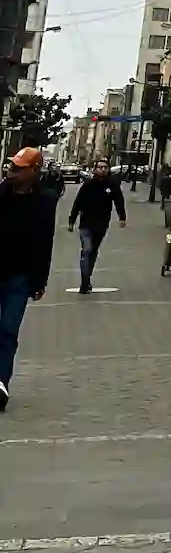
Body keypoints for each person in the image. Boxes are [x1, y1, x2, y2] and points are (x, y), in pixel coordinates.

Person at [0, 147, 58, 411]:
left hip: (20, 279)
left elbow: (46, 242)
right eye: (12, 166)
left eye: (18, 168)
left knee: (8, 331)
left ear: (33, 172)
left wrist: (40, 280)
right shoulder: (0, 194)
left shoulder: (45, 201)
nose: (12, 171)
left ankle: (1, 383)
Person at [68, 158, 127, 294]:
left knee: (93, 252)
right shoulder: (88, 184)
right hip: (86, 223)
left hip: (101, 224)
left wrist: (122, 217)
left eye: (105, 167)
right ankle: (84, 281)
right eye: (100, 167)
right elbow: (78, 202)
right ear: (94, 169)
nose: (102, 169)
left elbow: (119, 200)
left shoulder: (112, 185)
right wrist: (72, 220)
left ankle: (87, 278)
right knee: (87, 249)